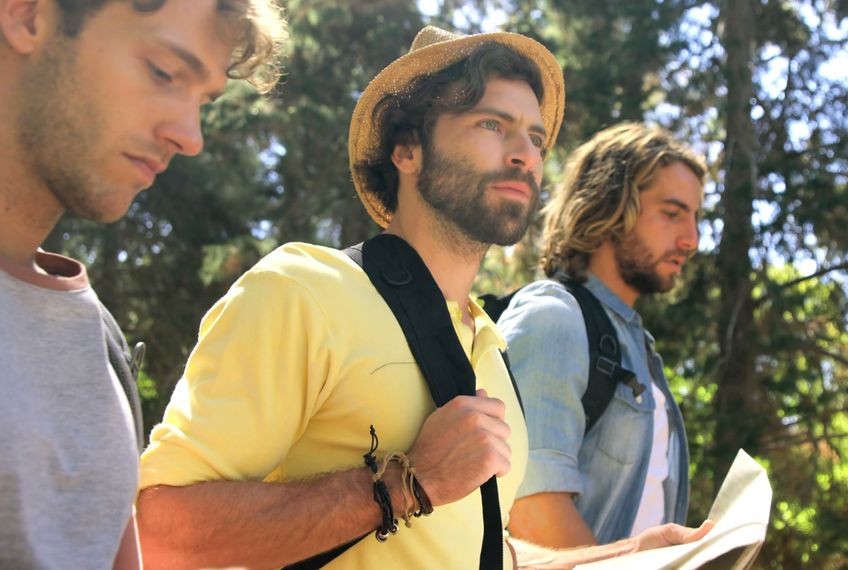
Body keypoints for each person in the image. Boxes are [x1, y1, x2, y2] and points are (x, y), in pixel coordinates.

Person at [135, 26, 710, 569]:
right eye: (492, 124)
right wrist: (406, 483)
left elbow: (485, 555)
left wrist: (634, 556)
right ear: (406, 149)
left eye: (535, 137)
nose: (525, 154)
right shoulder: (303, 291)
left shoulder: (491, 346)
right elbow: (154, 532)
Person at [0, 0, 286, 567]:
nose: (190, 136)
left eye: (203, 99)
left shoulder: (94, 335)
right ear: (28, 14)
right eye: (163, 72)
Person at [500, 122, 706, 548]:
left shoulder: (639, 349)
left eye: (696, 217)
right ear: (610, 207)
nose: (691, 240)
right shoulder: (555, 317)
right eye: (672, 213)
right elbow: (529, 510)